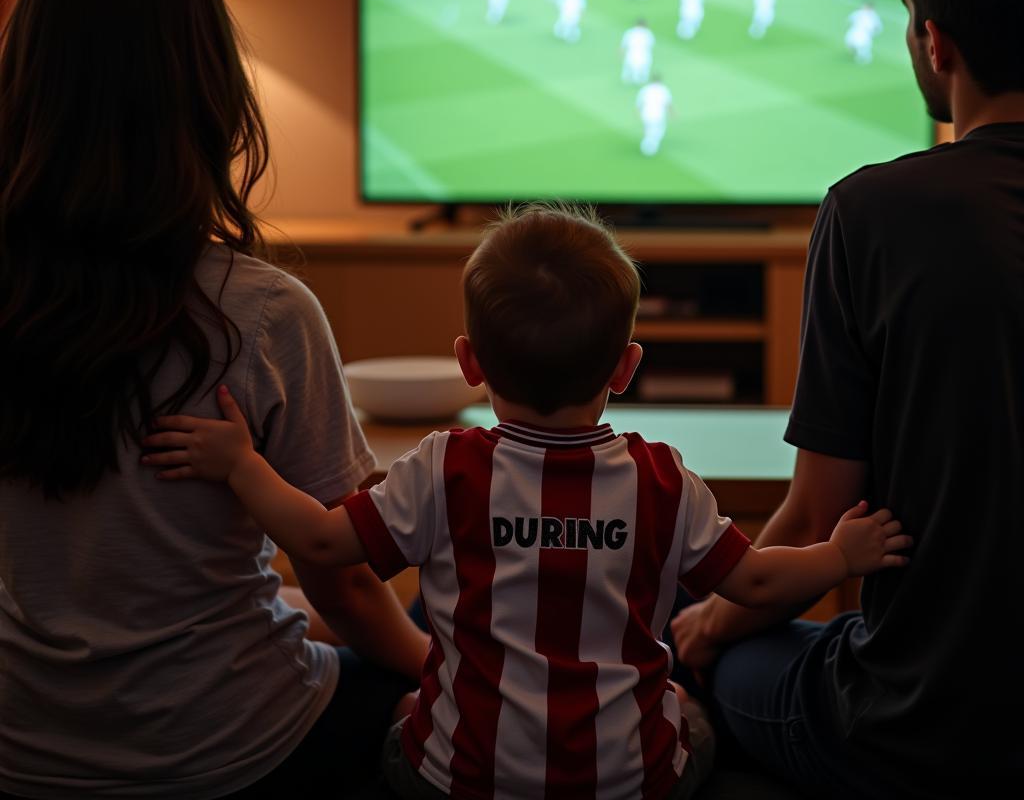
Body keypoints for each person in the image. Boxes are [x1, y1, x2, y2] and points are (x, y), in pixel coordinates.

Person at [142, 205, 911, 800]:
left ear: (469, 363)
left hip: (458, 781)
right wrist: (839, 556)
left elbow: (318, 542)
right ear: (627, 365)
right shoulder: (662, 479)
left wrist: (242, 466)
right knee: (692, 713)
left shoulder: (443, 467)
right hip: (628, 782)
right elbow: (758, 584)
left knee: (405, 719)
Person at [0, 0, 428, 798]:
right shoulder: (262, 312)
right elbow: (344, 582)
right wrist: (435, 665)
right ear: (208, 89)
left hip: (24, 741)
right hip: (231, 747)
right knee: (416, 638)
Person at [670, 0, 1024, 799]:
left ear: (933, 41)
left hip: (920, 726)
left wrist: (706, 628)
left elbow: (819, 515)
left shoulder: (874, 212)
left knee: (717, 644)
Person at [637, 75, 675, 156]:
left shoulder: (645, 89)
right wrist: (672, 113)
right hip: (658, 115)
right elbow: (668, 103)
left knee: (648, 130)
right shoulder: (663, 90)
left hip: (646, 114)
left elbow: (640, 103)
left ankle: (647, 145)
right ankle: (651, 147)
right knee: (658, 131)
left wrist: (638, 112)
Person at [621, 18, 655, 84]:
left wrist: (622, 53)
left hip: (631, 54)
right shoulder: (647, 33)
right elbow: (651, 45)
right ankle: (640, 82)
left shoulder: (630, 32)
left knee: (629, 71)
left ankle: (629, 82)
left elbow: (623, 45)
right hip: (644, 55)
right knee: (643, 72)